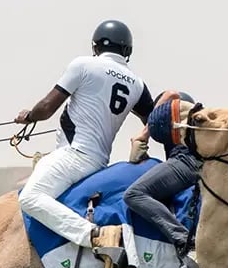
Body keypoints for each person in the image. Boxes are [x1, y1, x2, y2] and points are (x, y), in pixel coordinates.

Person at [17, 20, 154, 250]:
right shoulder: (138, 85)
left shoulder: (83, 65)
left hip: (74, 156)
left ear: (96, 46)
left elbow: (47, 108)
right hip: (99, 163)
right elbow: (153, 119)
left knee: (30, 197)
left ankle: (93, 235)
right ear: (127, 51)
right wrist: (142, 139)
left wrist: (29, 116)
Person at [124, 90, 203, 268]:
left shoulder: (176, 117)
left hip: (185, 161)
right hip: (189, 163)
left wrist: (144, 133)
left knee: (134, 194)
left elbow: (171, 93)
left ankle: (186, 244)